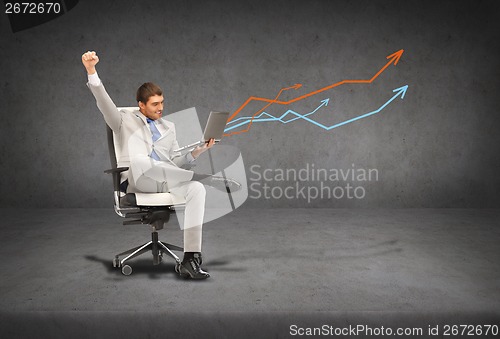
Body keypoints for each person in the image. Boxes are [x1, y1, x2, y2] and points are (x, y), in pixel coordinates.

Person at [82, 51, 237, 279]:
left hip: (165, 180)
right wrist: (91, 71)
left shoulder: (169, 127)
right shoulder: (122, 120)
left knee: (196, 189)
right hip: (138, 180)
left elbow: (174, 162)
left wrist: (199, 150)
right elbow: (104, 103)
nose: (160, 108)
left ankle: (190, 259)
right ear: (141, 105)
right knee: (142, 161)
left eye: (162, 102)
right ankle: (207, 178)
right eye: (155, 104)